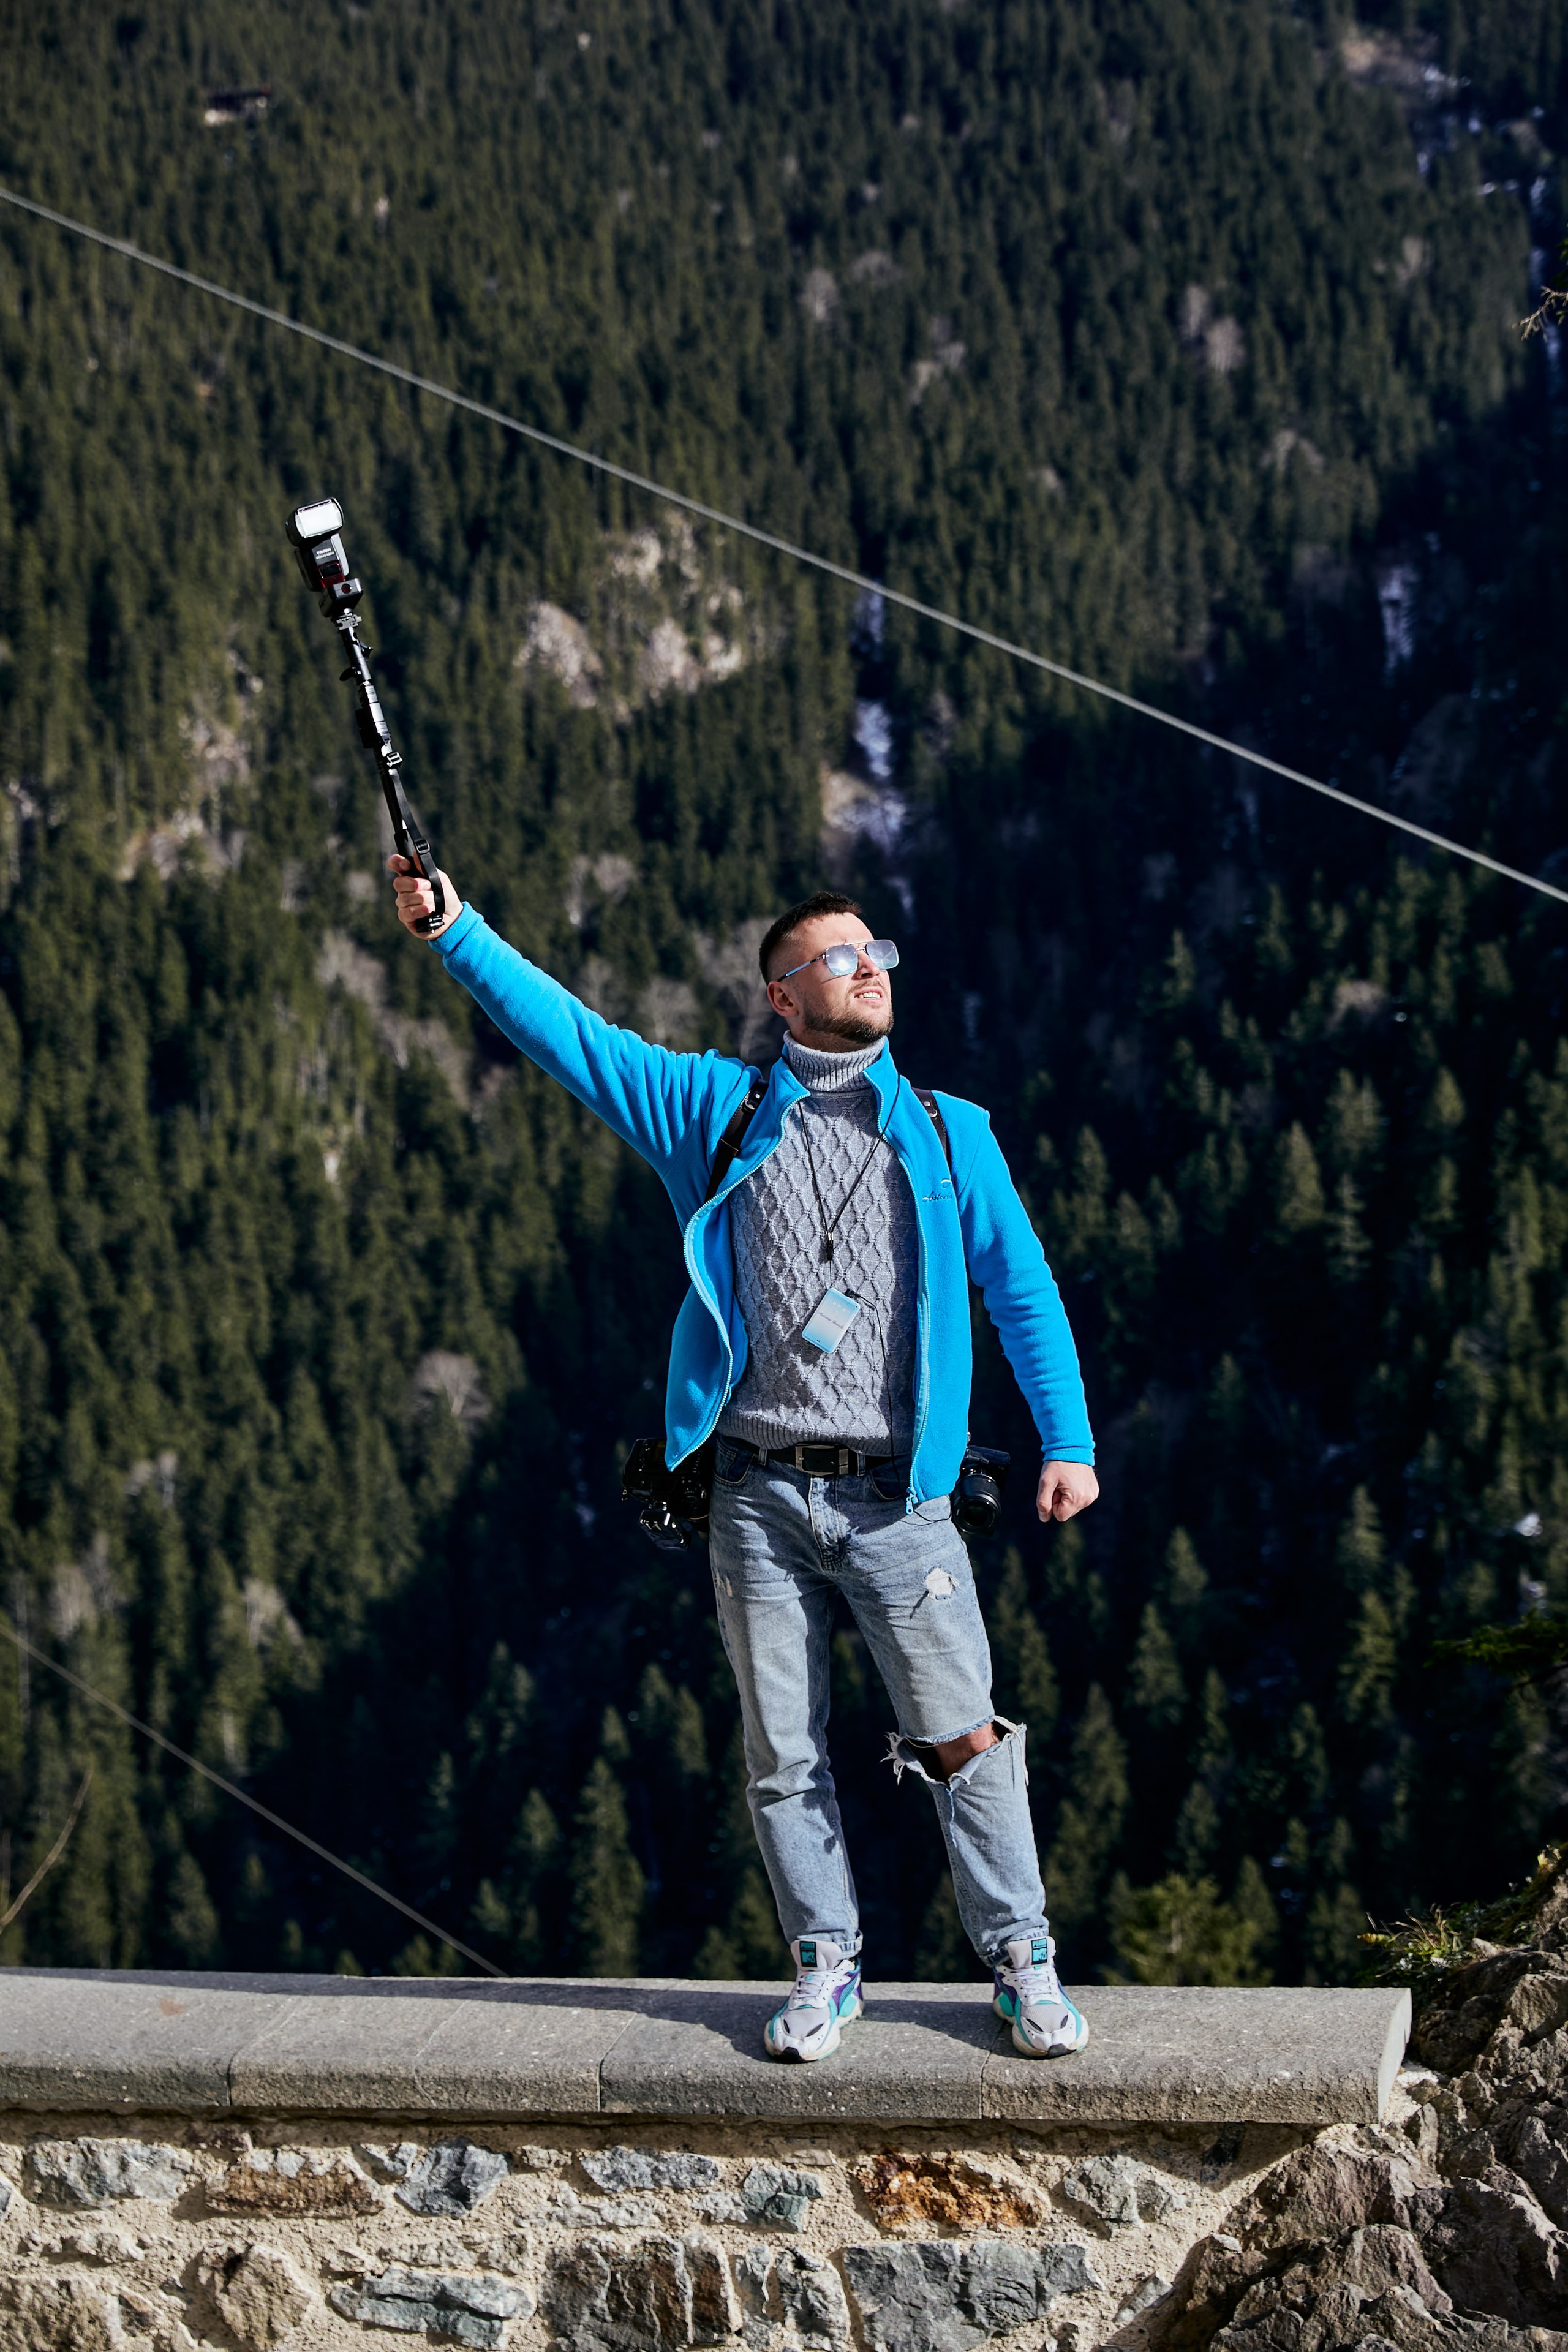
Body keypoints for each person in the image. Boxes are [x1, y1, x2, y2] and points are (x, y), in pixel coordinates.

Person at [391, 858, 1099, 2062]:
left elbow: (1020, 1291)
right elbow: (569, 1033)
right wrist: (455, 931)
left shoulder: (944, 1134)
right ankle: (825, 1965)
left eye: (876, 951)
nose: (868, 966)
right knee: (781, 1745)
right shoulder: (713, 1113)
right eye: (838, 956)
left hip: (901, 1496)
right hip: (756, 1493)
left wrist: (1066, 1439)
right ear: (781, 995)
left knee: (961, 1736)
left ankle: (1020, 1957)